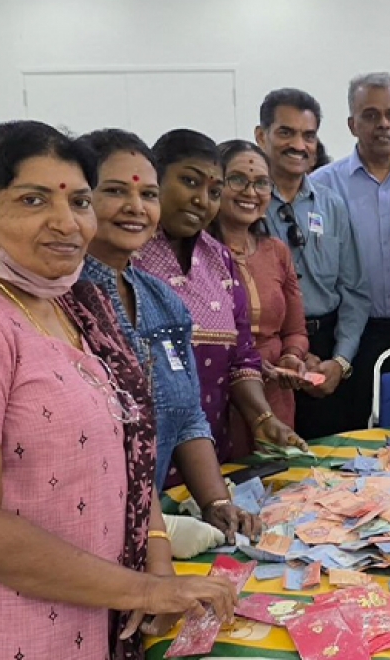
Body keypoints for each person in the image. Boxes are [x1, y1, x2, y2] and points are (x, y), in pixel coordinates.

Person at [0, 120, 237, 660]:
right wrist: (144, 589)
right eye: (33, 200)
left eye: (80, 202)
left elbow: (128, 449)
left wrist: (156, 556)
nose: (65, 223)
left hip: (90, 613)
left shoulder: (77, 303)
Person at [78, 128, 274, 552]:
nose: (135, 207)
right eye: (114, 191)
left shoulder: (162, 301)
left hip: (153, 524)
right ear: (80, 199)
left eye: (147, 195)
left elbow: (187, 415)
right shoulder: (56, 301)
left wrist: (217, 501)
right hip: (80, 535)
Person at [133, 129, 303, 464]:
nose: (202, 200)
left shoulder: (218, 259)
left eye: (213, 190)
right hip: (143, 452)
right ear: (155, 179)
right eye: (190, 182)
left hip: (210, 445)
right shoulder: (129, 256)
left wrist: (264, 419)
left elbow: (241, 356)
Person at [311, 73, 390, 426]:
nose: (384, 124)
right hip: (349, 335)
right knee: (348, 434)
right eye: (371, 115)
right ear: (352, 124)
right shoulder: (321, 186)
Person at [258, 88, 371, 438]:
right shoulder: (248, 204)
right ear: (262, 136)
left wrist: (340, 362)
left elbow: (354, 291)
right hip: (271, 357)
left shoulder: (332, 205)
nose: (299, 145)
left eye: (308, 135)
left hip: (326, 352)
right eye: (286, 133)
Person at [213, 139, 311, 438]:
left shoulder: (276, 251)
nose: (250, 192)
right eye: (238, 180)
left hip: (275, 398)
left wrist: (291, 358)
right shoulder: (199, 254)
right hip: (220, 399)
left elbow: (295, 330)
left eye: (261, 183)